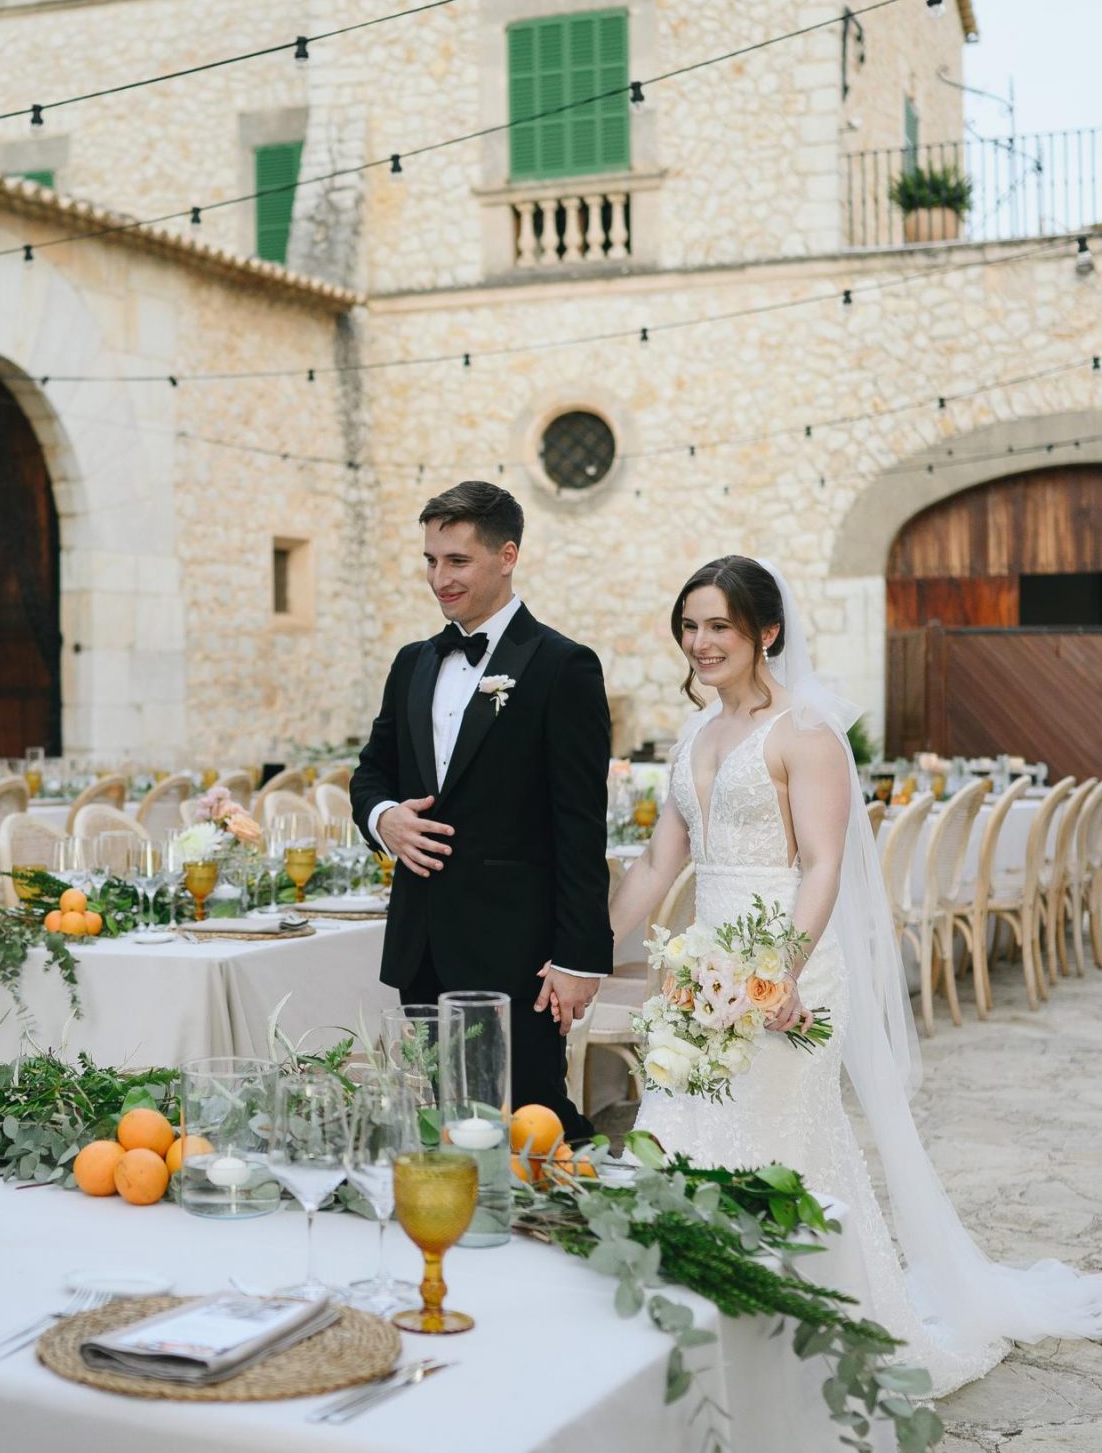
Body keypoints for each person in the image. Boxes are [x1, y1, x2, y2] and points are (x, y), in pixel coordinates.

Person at [610, 553, 1102, 1393]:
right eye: (688, 627)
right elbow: (659, 863)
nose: (699, 643)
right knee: (681, 1134)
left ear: (766, 631)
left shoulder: (804, 733)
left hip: (786, 963)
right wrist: (589, 953)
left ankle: (803, 1338)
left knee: (778, 1145)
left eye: (719, 626)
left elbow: (823, 867)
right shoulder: (693, 734)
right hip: (700, 970)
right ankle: (709, 1340)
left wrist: (778, 976)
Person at [352, 479, 613, 1134]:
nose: (439, 578)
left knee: (532, 1125)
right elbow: (371, 773)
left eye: (457, 561)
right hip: (421, 944)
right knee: (445, 1129)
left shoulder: (562, 666)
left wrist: (579, 958)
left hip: (517, 954)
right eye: (430, 560)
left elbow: (581, 826)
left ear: (507, 556)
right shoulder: (412, 663)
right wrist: (384, 819)